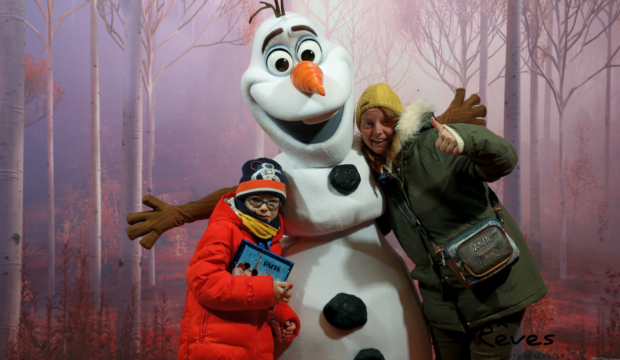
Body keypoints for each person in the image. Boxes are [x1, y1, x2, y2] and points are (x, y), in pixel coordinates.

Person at [356, 83, 547, 360]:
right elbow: (378, 225)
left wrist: (464, 139)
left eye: (386, 121)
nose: (378, 131)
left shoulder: (435, 144)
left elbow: (504, 159)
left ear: (399, 121)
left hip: (494, 288)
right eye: (368, 123)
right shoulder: (382, 172)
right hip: (441, 302)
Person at [178, 158, 300, 360]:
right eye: (256, 200)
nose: (264, 208)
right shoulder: (223, 229)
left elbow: (261, 291)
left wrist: (281, 316)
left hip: (254, 349)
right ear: (243, 199)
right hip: (214, 348)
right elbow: (204, 283)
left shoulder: (273, 242)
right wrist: (267, 291)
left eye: (272, 202)